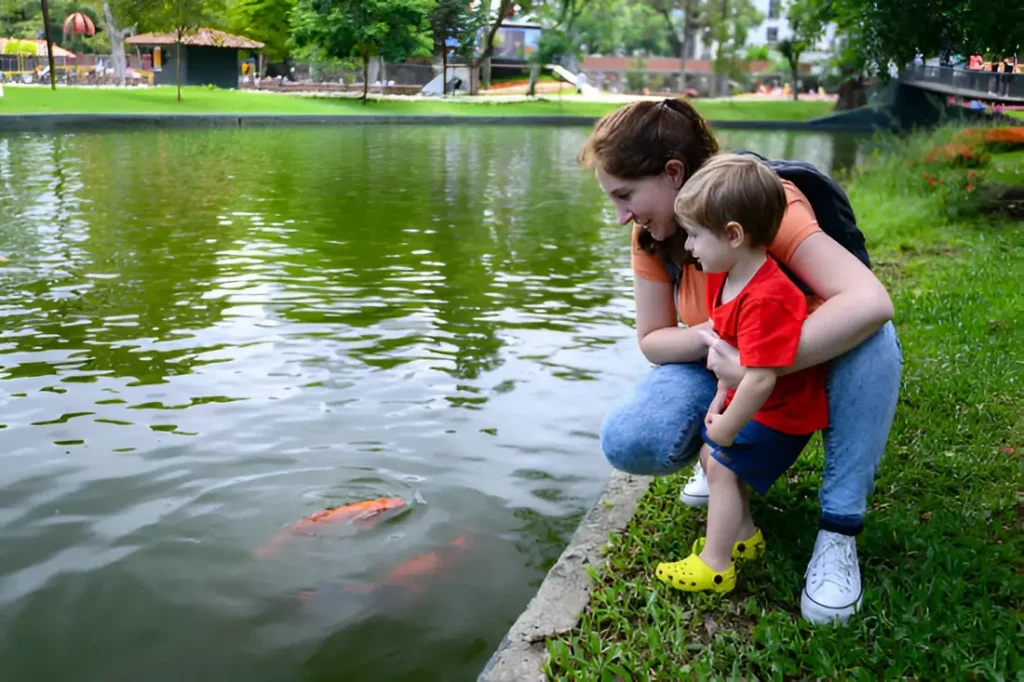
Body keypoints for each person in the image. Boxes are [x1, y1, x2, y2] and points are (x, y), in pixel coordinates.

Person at [577, 98, 902, 624]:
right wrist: (714, 339)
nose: (621, 217)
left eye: (625, 195)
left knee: (874, 340)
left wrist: (756, 361)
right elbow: (654, 340)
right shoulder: (652, 235)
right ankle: (728, 482)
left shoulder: (760, 204)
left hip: (796, 362)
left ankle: (838, 533)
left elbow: (870, 301)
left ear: (673, 173)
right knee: (630, 438)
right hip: (726, 362)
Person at [653, 153, 829, 593]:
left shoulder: (768, 297)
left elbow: (762, 376)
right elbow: (732, 361)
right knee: (710, 457)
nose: (688, 248)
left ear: (733, 235)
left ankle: (715, 565)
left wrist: (729, 427)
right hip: (752, 402)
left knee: (724, 462)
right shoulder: (726, 276)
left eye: (695, 236)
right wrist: (719, 402)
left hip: (782, 414)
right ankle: (745, 535)